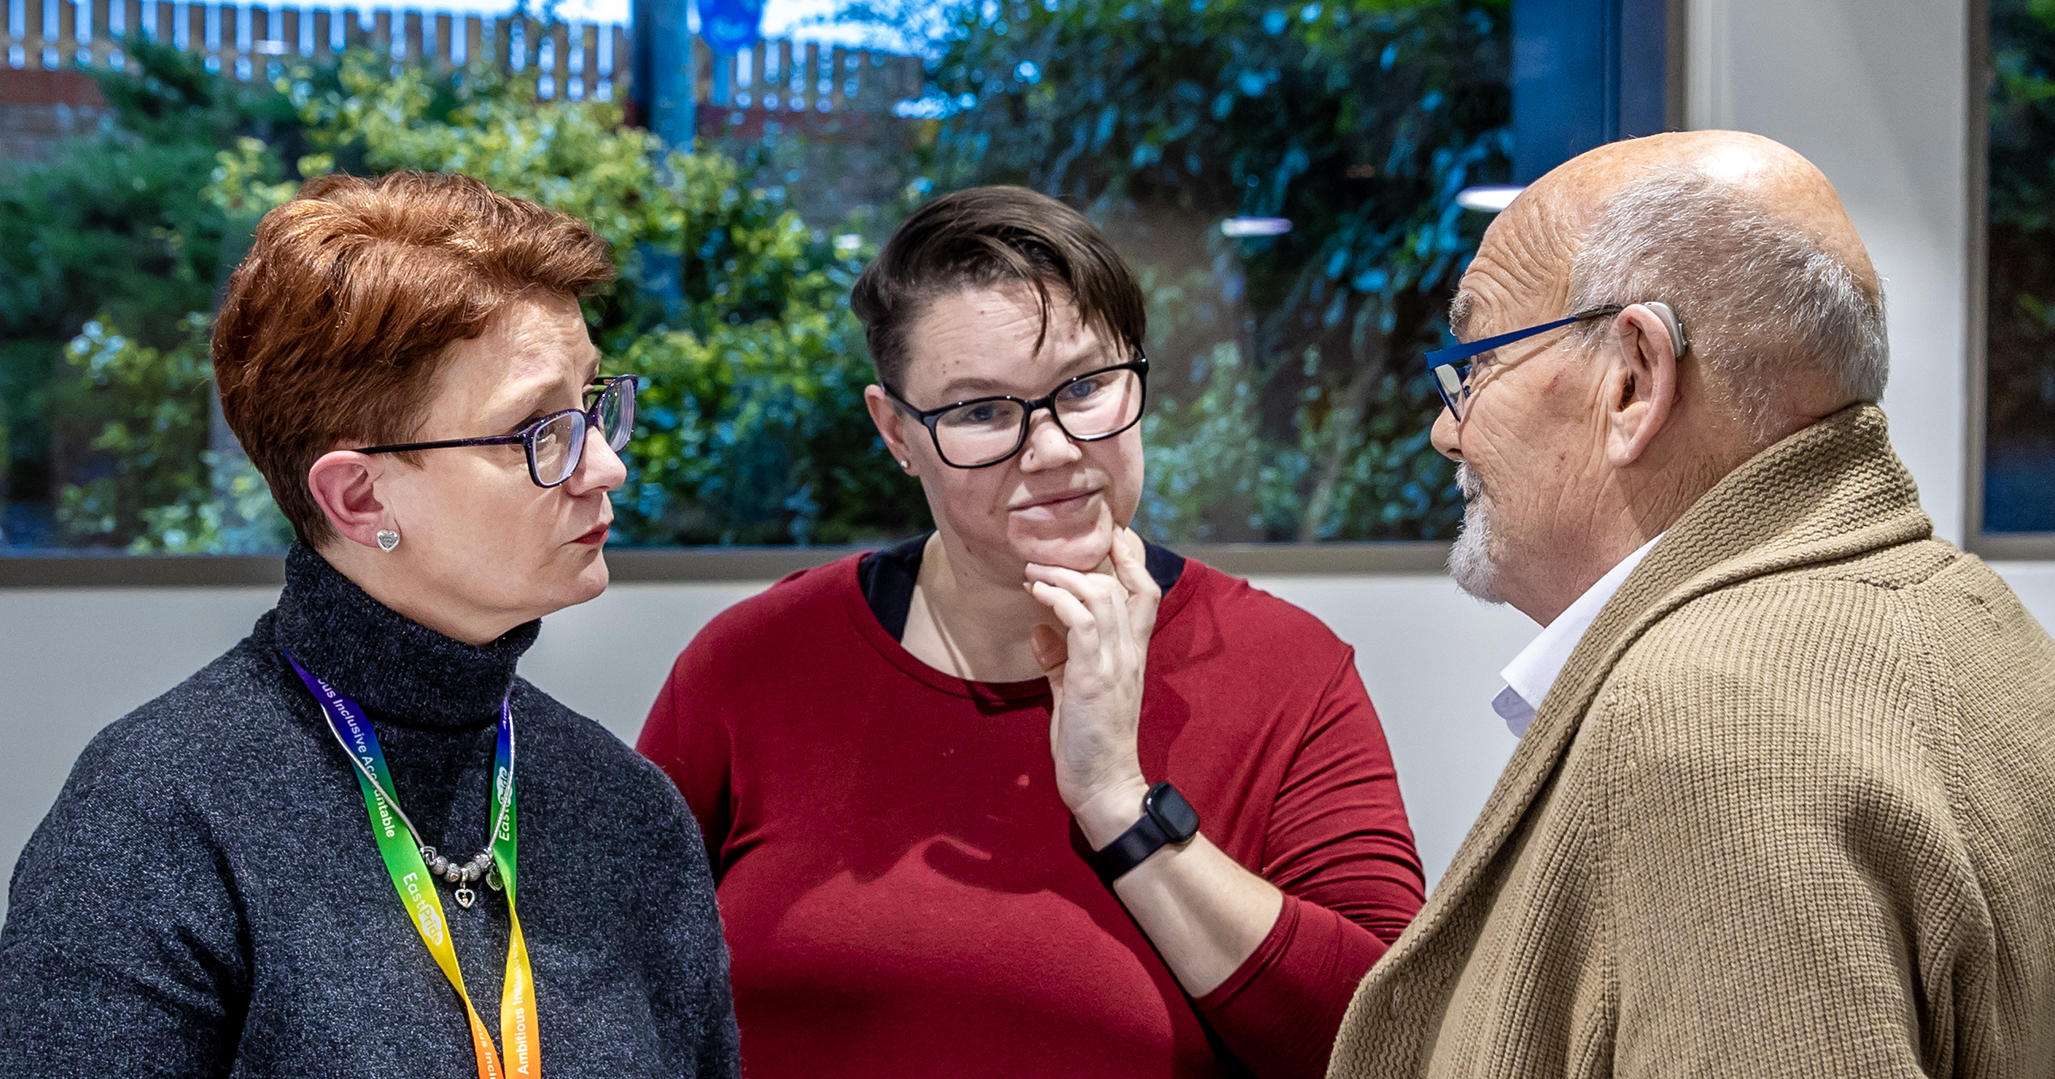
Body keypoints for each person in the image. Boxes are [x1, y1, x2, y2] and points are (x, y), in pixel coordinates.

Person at [636, 185, 1426, 1079]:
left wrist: (1115, 799)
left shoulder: (1284, 667)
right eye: (980, 411)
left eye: (1085, 387)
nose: (1050, 449)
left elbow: (1388, 1036)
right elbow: (611, 986)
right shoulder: (751, 663)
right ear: (895, 430)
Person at [1326, 130, 2055, 1077]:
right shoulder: (1961, 608)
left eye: (1477, 363)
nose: (1444, 429)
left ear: (1633, 379)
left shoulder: (1710, 718)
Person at [0, 171, 739, 1078]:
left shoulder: (624, 808)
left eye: (589, 406)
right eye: (537, 431)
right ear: (357, 495)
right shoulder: (158, 815)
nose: (606, 467)